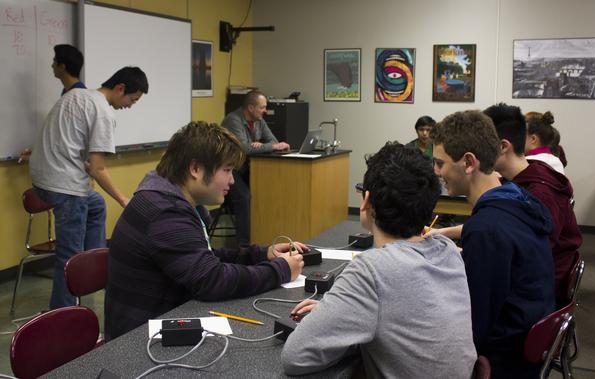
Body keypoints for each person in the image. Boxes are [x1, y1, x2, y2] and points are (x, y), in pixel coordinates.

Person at [281, 142, 476, 378]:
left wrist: (347, 327)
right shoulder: (449, 250)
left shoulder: (371, 270)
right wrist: (347, 312)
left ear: (366, 201)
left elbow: (295, 356)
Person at [105, 121, 305, 341]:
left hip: (162, 321)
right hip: (139, 342)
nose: (231, 180)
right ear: (195, 169)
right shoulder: (165, 214)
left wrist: (261, 254)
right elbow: (211, 280)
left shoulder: (166, 198)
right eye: (227, 170)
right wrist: (280, 270)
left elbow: (200, 258)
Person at [431, 110, 555, 378]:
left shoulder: (487, 228)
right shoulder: (517, 198)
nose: (436, 171)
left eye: (440, 163)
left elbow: (474, 324)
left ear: (468, 162)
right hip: (526, 341)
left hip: (503, 359)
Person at [28, 66, 148, 309]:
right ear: (120, 88)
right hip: (64, 187)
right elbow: (97, 169)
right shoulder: (103, 112)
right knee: (68, 258)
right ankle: (63, 316)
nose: (130, 106)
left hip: (41, 181)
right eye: (132, 100)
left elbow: (67, 143)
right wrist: (125, 200)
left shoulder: (77, 94)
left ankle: (94, 271)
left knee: (95, 204)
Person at [484, 103, 581, 307]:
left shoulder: (539, 192)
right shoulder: (529, 175)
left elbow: (532, 255)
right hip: (540, 276)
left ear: (503, 146)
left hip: (541, 289)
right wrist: (446, 233)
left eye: (482, 144)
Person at [221, 90, 290, 246]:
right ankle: (243, 246)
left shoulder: (259, 120)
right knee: (245, 197)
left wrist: (263, 146)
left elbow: (274, 141)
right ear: (251, 108)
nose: (265, 110)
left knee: (266, 192)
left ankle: (262, 235)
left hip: (247, 168)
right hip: (229, 170)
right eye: (262, 107)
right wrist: (268, 146)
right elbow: (244, 149)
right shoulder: (233, 120)